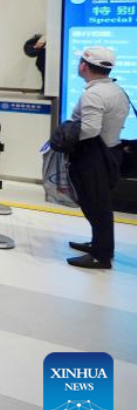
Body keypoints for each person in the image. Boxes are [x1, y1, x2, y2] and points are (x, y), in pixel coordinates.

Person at [66, 47, 130, 270]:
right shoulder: (115, 89)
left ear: (84, 65)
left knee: (96, 204)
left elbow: (90, 129)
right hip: (110, 151)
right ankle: (99, 244)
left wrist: (66, 139)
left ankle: (101, 255)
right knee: (97, 203)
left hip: (94, 156)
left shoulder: (94, 94)